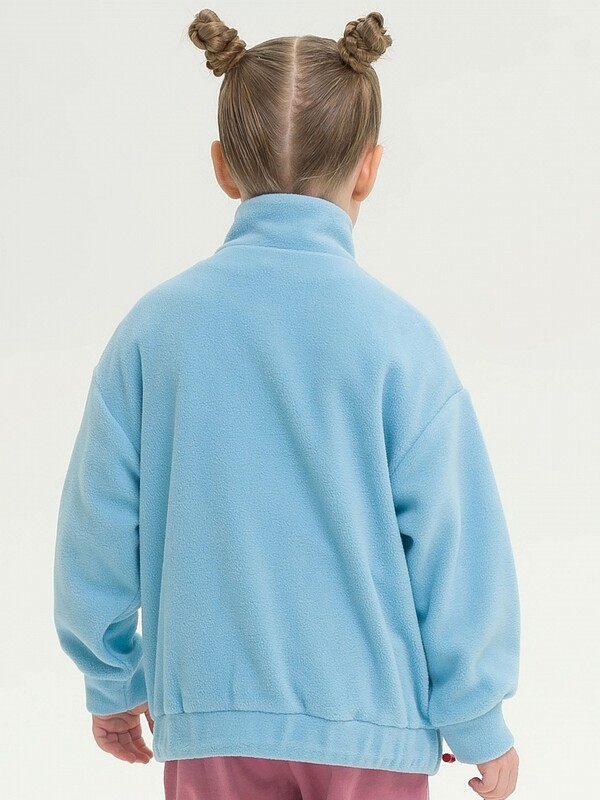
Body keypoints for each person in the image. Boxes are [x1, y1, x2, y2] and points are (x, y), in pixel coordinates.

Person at [53, 8, 521, 800]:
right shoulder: (400, 340)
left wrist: (111, 678)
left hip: (210, 721)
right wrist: (477, 715)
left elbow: (95, 531)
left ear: (222, 167)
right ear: (368, 169)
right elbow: (455, 542)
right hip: (373, 727)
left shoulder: (153, 332)